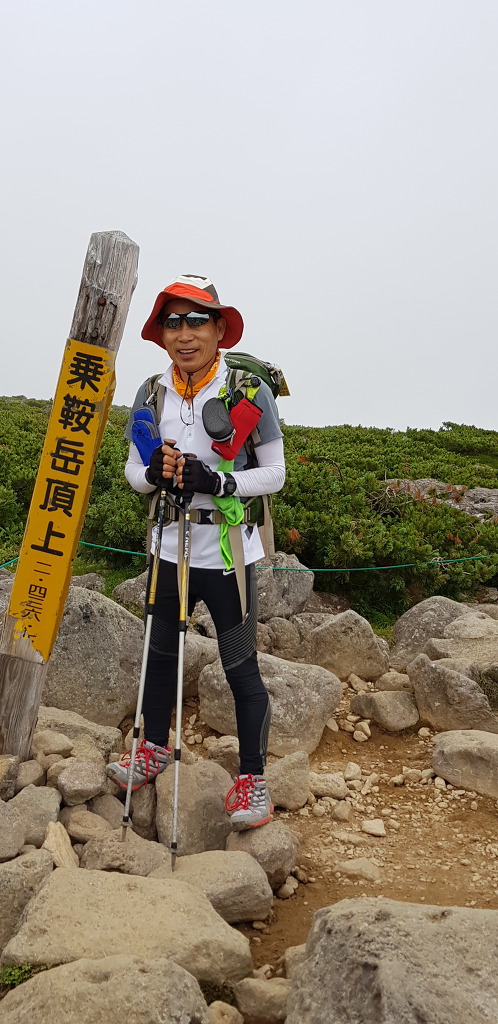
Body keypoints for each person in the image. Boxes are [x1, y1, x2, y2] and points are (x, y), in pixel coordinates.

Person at [107, 274, 286, 829]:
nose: (184, 334)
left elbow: (275, 473)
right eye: (172, 323)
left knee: (240, 667)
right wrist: (153, 474)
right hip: (168, 546)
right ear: (162, 334)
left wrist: (219, 481)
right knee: (159, 656)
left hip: (229, 554)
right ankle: (152, 749)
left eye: (196, 321)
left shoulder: (246, 391)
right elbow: (134, 470)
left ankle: (253, 780)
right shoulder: (150, 393)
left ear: (218, 330)